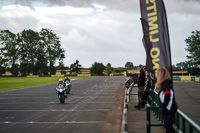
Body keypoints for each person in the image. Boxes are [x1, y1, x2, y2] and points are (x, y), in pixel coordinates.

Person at [156, 67, 178, 133]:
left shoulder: (166, 83)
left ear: (160, 74)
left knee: (169, 128)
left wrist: (164, 108)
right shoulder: (165, 83)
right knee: (168, 127)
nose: (156, 75)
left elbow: (168, 96)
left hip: (169, 109)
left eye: (157, 73)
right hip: (168, 109)